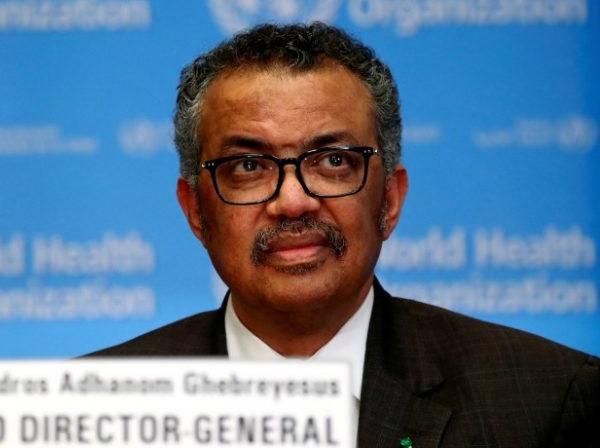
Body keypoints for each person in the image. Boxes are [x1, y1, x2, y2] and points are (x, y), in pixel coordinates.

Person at [89, 23, 599, 446]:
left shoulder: (549, 401)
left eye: (334, 161)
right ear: (196, 211)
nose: (293, 202)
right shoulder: (96, 412)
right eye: (248, 166)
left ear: (390, 200)